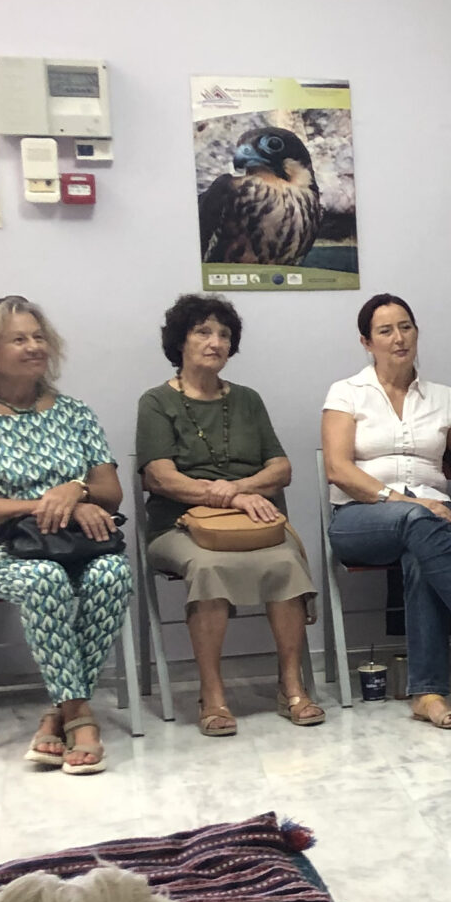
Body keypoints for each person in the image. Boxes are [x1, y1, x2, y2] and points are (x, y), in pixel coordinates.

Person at [0, 296, 134, 775]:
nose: (34, 347)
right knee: (44, 578)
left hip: (77, 543)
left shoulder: (75, 413)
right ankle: (80, 717)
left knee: (113, 573)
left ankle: (57, 715)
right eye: (19, 339)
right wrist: (50, 503)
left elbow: (111, 492)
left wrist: (77, 490)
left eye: (39, 337)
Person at [322, 292, 451, 729]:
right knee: (420, 519)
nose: (399, 338)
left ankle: (428, 695)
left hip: (434, 520)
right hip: (360, 518)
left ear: (416, 332)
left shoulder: (443, 397)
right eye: (385, 331)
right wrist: (407, 502)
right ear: (366, 342)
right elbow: (338, 469)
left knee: (422, 549)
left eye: (405, 327)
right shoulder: (347, 393)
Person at [134, 293, 322, 736]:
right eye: (203, 332)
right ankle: (212, 693)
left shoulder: (248, 400)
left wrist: (238, 488)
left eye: (223, 334)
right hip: (178, 525)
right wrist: (231, 499)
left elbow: (281, 469)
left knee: (286, 560)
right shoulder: (156, 402)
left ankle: (290, 685)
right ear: (180, 341)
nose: (215, 342)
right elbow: (160, 477)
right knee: (208, 566)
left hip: (252, 523)